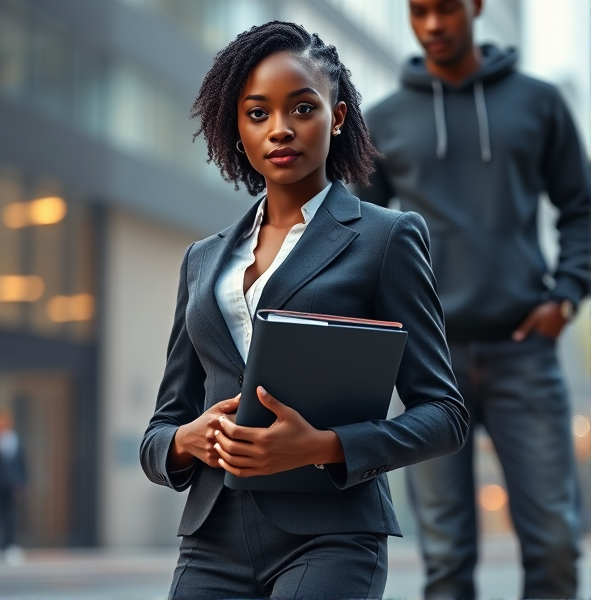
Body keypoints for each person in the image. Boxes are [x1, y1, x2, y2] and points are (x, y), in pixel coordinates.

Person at [140, 20, 469, 600]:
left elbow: (444, 414)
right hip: (211, 541)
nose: (280, 130)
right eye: (258, 113)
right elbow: (163, 426)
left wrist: (324, 446)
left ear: (336, 117)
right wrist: (186, 440)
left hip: (333, 537)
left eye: (302, 108)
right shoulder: (203, 259)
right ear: (237, 128)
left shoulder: (385, 238)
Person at [355, 1, 591, 598]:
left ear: (477, 6)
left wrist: (564, 298)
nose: (433, 24)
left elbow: (581, 207)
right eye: (419, 11)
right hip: (430, 366)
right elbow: (357, 235)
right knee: (446, 560)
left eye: (447, 9)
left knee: (556, 547)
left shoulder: (538, 103)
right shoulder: (382, 121)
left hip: (524, 350)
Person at [0, 408, 26, 564]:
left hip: (11, 484)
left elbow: (22, 464)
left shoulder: (15, 440)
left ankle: (9, 547)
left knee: (10, 516)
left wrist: (21, 482)